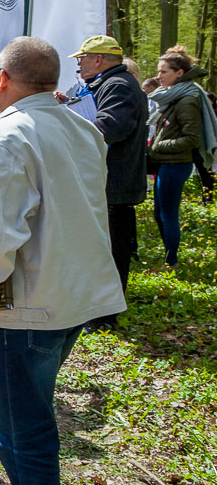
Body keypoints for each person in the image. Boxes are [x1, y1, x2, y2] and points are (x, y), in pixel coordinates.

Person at [0, 36, 126, 485]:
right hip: (72, 292)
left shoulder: (8, 136)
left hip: (30, 303)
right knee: (31, 409)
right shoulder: (79, 126)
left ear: (2, 79)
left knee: (19, 423)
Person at [69, 36, 148, 329]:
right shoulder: (110, 83)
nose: (79, 64)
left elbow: (110, 127)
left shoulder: (118, 85)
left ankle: (104, 316)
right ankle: (98, 308)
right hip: (107, 182)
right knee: (103, 247)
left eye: (82, 58)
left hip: (114, 184)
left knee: (112, 250)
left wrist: (67, 125)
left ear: (98, 59)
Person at [149, 45, 216, 269]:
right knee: (159, 213)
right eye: (158, 71)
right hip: (165, 163)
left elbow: (192, 139)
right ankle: (169, 258)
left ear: (179, 73)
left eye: (163, 71)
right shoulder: (172, 97)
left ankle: (171, 263)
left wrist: (159, 145)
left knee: (168, 214)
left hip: (175, 164)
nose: (158, 76)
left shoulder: (187, 99)